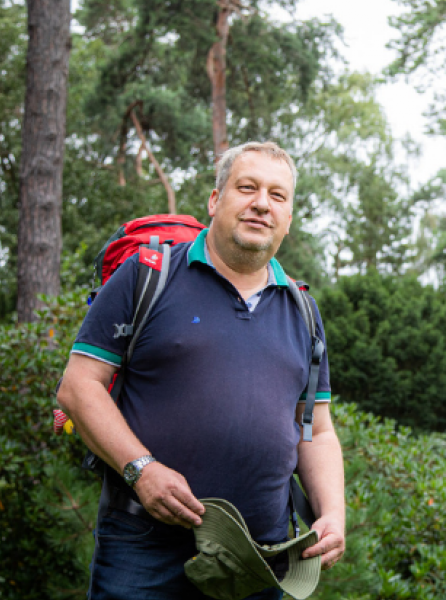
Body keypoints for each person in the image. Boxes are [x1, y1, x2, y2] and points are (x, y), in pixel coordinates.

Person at [58, 141, 345, 599]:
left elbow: (316, 430)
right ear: (215, 201)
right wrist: (142, 470)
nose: (261, 204)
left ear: (288, 219)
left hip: (260, 555)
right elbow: (77, 388)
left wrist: (333, 512)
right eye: (246, 187)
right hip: (143, 548)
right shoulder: (147, 275)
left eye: (277, 195)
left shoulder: (303, 309)